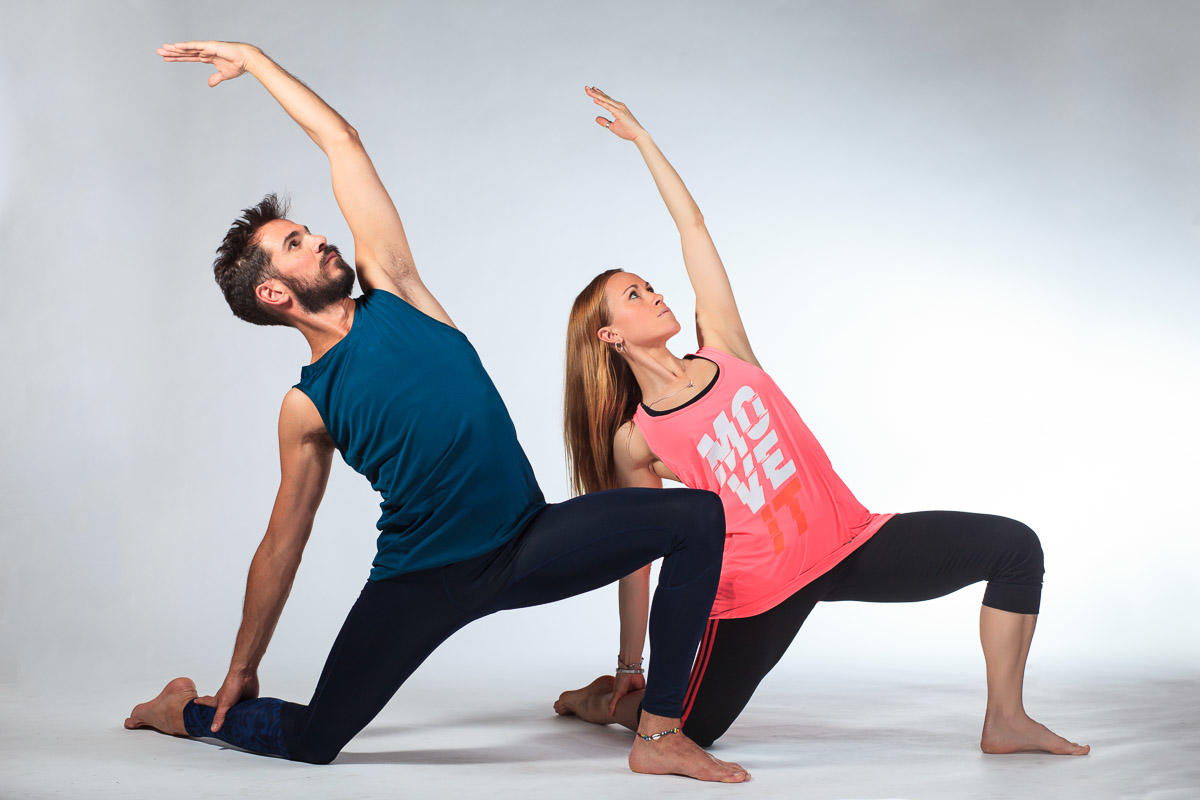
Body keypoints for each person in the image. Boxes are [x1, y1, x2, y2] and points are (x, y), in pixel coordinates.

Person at [124, 41, 749, 783]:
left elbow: (341, 141)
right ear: (273, 293)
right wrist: (242, 667)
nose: (321, 237)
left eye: (309, 231)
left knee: (696, 517)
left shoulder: (394, 290)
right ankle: (182, 711)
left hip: (527, 541)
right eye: (295, 243)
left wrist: (257, 64)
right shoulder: (306, 406)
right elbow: (283, 542)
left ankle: (658, 736)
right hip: (423, 579)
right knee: (318, 738)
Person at [553, 87, 1090, 757]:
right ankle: (604, 700)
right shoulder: (637, 438)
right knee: (690, 729)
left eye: (650, 284)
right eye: (635, 295)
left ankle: (1005, 720)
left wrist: (644, 143)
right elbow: (640, 562)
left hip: (849, 544)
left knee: (1015, 550)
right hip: (756, 596)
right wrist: (632, 662)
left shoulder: (723, 347)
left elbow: (693, 227)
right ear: (608, 337)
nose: (656, 293)